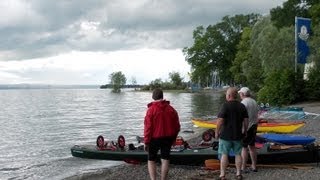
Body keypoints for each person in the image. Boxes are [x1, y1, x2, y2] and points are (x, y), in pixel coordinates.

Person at [144, 88, 180, 180]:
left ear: (153, 97)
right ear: (162, 96)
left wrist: (146, 141)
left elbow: (148, 127)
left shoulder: (151, 110)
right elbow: (177, 126)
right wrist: (173, 139)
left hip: (154, 138)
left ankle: (153, 179)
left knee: (151, 160)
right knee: (165, 159)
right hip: (168, 138)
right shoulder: (171, 109)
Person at [215, 87, 248, 180]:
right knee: (238, 154)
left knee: (224, 154)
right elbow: (246, 120)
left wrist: (216, 132)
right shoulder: (242, 106)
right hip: (238, 135)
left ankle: (222, 175)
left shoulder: (225, 105)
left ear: (229, 95)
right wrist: (245, 131)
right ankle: (238, 174)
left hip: (225, 135)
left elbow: (220, 120)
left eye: (226, 94)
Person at [238, 87, 259, 173]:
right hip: (254, 125)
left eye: (240, 93)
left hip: (247, 127)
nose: (239, 95)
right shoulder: (254, 101)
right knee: (252, 147)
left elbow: (241, 117)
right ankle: (254, 166)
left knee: (244, 147)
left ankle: (243, 167)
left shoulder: (243, 103)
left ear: (242, 94)